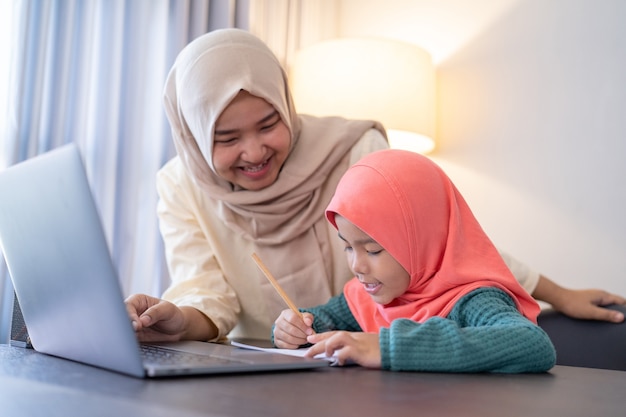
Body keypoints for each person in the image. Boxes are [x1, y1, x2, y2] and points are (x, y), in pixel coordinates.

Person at [125, 28, 625, 345]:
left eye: (269, 123)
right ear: (192, 137)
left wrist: (559, 293)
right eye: (227, 138)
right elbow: (205, 292)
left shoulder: (349, 149)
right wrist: (178, 320)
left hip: (367, 358)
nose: (254, 152)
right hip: (270, 364)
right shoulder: (179, 183)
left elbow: (447, 242)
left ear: (287, 103)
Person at [273, 149, 556, 372]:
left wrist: (389, 348)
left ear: (423, 242)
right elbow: (326, 319)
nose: (357, 266)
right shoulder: (368, 297)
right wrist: (298, 327)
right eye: (348, 247)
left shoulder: (470, 300)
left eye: (372, 250)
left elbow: (532, 344)